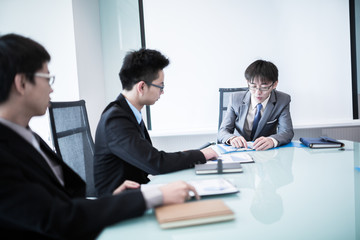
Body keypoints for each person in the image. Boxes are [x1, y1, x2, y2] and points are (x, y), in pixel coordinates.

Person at [0, 33, 201, 239]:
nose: (52, 88)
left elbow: (61, 204)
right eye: (47, 78)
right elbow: (57, 218)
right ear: (22, 83)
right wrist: (152, 196)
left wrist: (112, 201)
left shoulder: (27, 136)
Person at [94, 48, 218, 196]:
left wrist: (187, 156)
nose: (162, 92)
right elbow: (155, 163)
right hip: (120, 205)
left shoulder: (127, 112)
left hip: (136, 193)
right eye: (161, 86)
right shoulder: (116, 120)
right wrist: (200, 155)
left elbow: (150, 159)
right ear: (141, 87)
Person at [217, 60, 294, 151]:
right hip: (239, 150)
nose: (258, 93)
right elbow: (223, 131)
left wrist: (272, 140)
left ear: (274, 84)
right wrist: (232, 139)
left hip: (266, 152)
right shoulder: (235, 99)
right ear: (248, 83)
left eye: (264, 87)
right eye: (253, 86)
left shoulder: (282, 100)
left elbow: (287, 132)